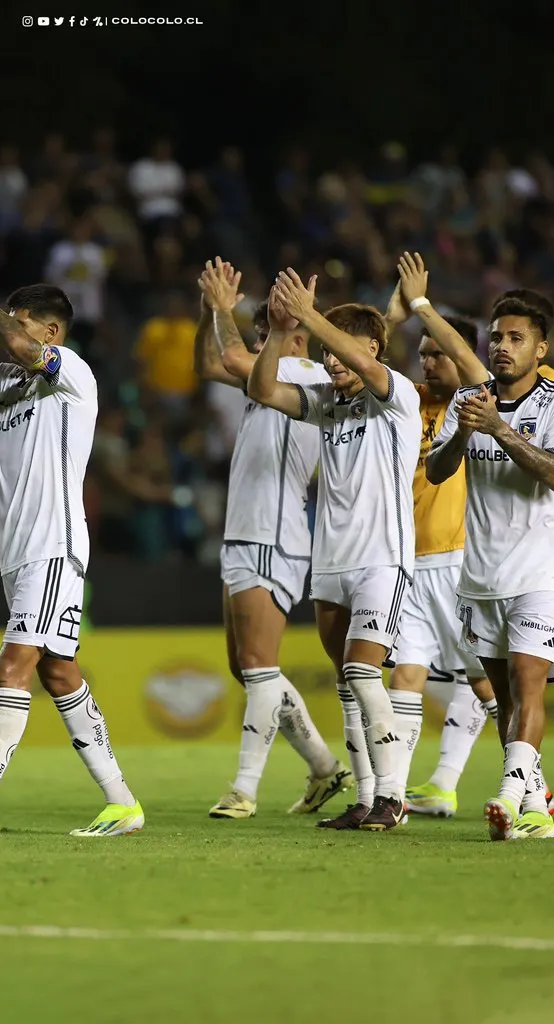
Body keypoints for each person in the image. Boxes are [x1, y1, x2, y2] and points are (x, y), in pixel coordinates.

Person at [0, 245, 142, 839]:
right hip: (17, 551)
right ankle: (122, 802)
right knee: (59, 673)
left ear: (50, 331)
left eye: (20, 321)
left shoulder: (70, 371)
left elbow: (20, 347)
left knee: (11, 666)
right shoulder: (7, 384)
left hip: (52, 542)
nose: (8, 331)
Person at [407, 284, 554, 819]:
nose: (502, 346)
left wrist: (498, 428)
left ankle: (511, 795)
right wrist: (464, 431)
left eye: (516, 338)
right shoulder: (466, 399)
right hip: (479, 575)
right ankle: (536, 811)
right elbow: (438, 470)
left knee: (529, 687)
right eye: (497, 337)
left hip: (540, 572)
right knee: (502, 698)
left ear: (539, 348)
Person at [248, 269, 420, 832]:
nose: (332, 361)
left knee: (363, 672)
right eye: (323, 352)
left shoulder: (398, 396)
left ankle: (394, 796)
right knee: (348, 684)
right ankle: (367, 797)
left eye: (339, 350)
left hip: (381, 558)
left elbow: (370, 369)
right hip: (331, 563)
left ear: (371, 347)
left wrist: (313, 313)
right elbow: (261, 390)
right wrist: (279, 331)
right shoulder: (326, 402)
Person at [193, 258, 351, 819]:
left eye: (271, 334)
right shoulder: (270, 373)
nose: (262, 343)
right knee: (246, 667)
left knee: (259, 665)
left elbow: (232, 355)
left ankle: (244, 788)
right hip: (245, 531)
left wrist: (224, 309)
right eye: (261, 334)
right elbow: (211, 361)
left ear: (298, 336)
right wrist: (208, 307)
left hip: (274, 532)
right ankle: (325, 767)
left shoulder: (308, 377)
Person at [381, 253, 500, 816]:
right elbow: (364, 357)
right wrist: (392, 314)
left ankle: (530, 783)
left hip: (457, 563)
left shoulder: (472, 405)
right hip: (407, 561)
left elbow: (472, 367)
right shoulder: (405, 403)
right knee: (405, 675)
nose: (428, 362)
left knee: (485, 682)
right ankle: (395, 796)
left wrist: (424, 309)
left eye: (438, 354)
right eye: (422, 354)